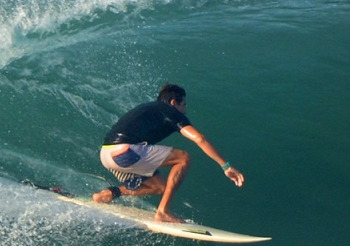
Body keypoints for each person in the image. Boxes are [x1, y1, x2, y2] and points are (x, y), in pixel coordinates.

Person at [93, 84, 245, 223]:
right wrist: (226, 166)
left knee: (159, 187)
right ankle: (163, 212)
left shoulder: (149, 109)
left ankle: (109, 194)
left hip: (107, 155)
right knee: (183, 158)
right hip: (126, 152)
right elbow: (200, 138)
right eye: (183, 105)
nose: (185, 110)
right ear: (173, 102)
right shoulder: (170, 111)